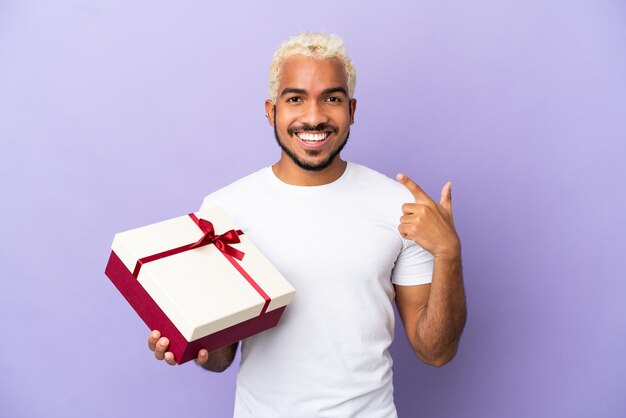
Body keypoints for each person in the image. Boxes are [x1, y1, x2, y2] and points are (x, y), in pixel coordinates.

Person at [148, 32, 466, 417]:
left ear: (351, 109)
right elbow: (220, 358)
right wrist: (187, 342)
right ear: (271, 111)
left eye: (331, 99)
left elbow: (436, 352)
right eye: (295, 98)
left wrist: (448, 252)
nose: (313, 117)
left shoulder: (399, 207)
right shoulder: (224, 211)